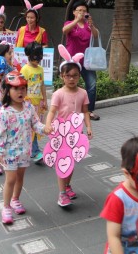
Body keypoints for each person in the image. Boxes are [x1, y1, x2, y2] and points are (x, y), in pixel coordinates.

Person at [0, 71, 50, 224]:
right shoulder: (4, 112)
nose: (20, 92)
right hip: (9, 152)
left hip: (25, 151)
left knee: (20, 178)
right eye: (15, 88)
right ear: (7, 90)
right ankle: (6, 207)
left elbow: (35, 123)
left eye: (23, 88)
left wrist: (44, 128)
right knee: (11, 179)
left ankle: (15, 200)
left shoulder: (29, 107)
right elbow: (0, 134)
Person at [44, 45, 93, 207]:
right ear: (62, 77)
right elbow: (52, 111)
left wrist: (88, 127)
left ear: (79, 76)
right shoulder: (58, 94)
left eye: (75, 76)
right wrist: (48, 124)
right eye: (68, 76)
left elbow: (86, 111)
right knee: (61, 162)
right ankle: (62, 193)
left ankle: (68, 185)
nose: (72, 79)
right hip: (60, 133)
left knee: (71, 162)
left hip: (75, 133)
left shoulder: (83, 93)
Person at [62, 0, 101, 121]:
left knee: (92, 85)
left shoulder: (88, 25)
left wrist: (92, 25)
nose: (82, 12)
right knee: (71, 84)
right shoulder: (69, 23)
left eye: (84, 11)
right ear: (74, 12)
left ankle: (89, 111)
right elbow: (65, 31)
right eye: (79, 10)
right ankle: (70, 110)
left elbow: (96, 36)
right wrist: (76, 21)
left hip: (87, 61)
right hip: (73, 61)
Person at [21, 42, 47, 162]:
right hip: (28, 104)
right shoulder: (25, 69)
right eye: (35, 58)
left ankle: (32, 150)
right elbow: (22, 87)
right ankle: (35, 151)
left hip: (39, 103)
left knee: (37, 127)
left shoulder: (40, 69)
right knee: (32, 127)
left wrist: (45, 100)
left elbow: (42, 85)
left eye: (39, 58)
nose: (38, 61)